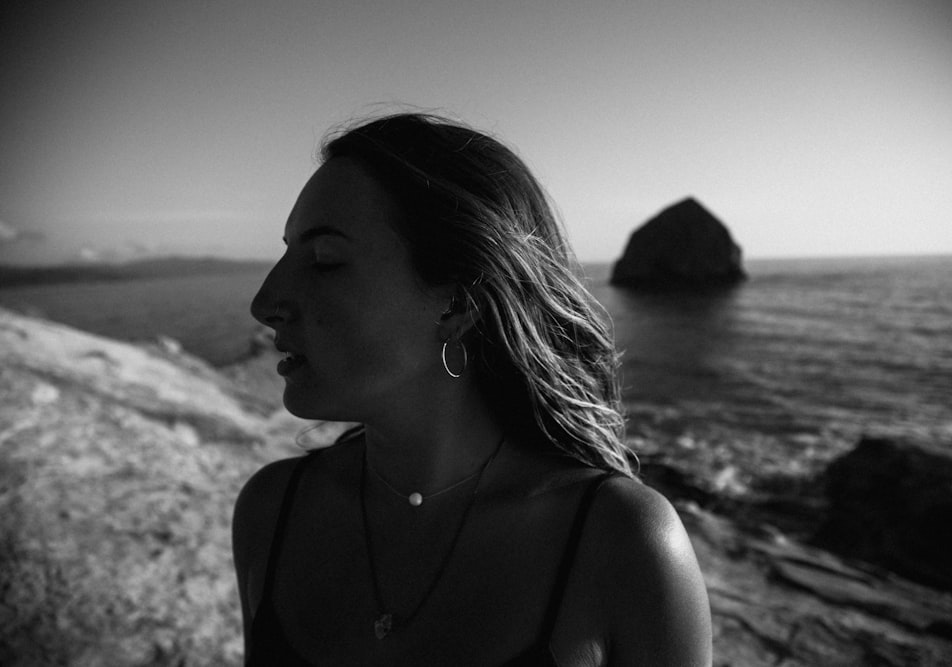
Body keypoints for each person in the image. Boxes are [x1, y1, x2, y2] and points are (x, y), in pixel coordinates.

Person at [235, 112, 712, 666]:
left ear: (459, 304)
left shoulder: (622, 543)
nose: (265, 302)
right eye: (287, 252)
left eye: (323, 261)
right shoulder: (272, 512)